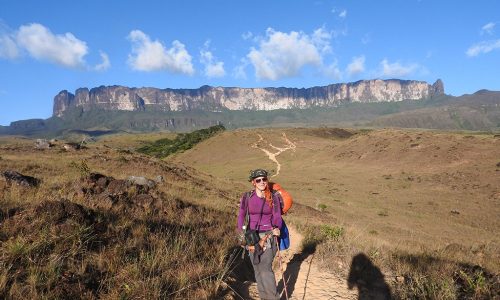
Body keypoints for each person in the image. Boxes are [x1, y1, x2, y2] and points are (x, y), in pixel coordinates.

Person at [237, 169, 282, 300]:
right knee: (257, 268)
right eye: (258, 180)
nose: (262, 182)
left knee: (265, 268)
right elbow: (241, 214)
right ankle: (264, 297)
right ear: (253, 182)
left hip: (268, 235)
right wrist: (240, 233)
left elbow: (277, 215)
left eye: (264, 179)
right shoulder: (247, 196)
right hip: (252, 237)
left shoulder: (273, 197)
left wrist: (276, 228)